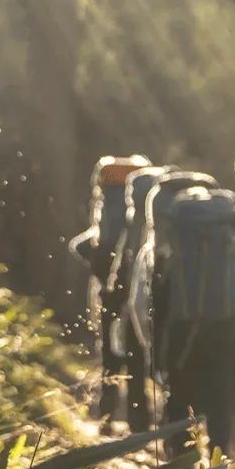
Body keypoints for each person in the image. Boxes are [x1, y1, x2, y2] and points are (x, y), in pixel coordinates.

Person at [158, 185, 235, 456]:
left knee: (181, 390)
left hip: (184, 323)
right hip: (224, 323)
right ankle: (218, 460)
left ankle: (182, 459)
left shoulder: (180, 231)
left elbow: (163, 286)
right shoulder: (229, 231)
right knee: (220, 393)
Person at [70, 155, 151, 431]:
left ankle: (106, 417)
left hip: (109, 289)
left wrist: (97, 264)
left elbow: (85, 244)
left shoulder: (106, 208)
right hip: (137, 290)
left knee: (109, 354)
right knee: (137, 355)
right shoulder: (141, 212)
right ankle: (139, 423)